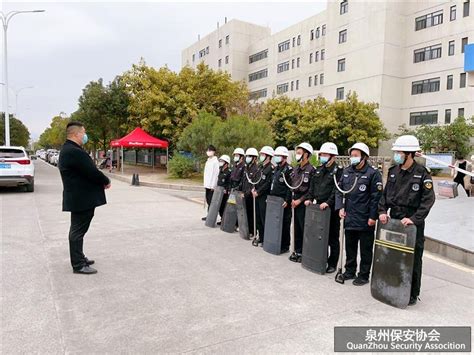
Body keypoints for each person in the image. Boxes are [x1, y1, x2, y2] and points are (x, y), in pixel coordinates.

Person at [378, 135, 436, 306]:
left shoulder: (422, 174)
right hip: (395, 219)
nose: (396, 155)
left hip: (412, 224)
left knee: (413, 258)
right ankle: (394, 285)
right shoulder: (394, 171)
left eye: (399, 152)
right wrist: (382, 211)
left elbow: (428, 201)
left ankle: (411, 293)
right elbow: (385, 196)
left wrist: (414, 219)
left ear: (409, 154)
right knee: (394, 256)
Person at [58, 121, 111, 275]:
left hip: (79, 197)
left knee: (79, 229)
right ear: (76, 134)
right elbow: (92, 171)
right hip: (80, 198)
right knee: (77, 231)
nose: (85, 135)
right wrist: (105, 181)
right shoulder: (74, 151)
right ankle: (78, 264)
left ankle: (80, 257)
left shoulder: (70, 149)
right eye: (83, 132)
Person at [335, 142, 382, 286]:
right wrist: (340, 207)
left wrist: (373, 217)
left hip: (365, 218)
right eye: (351, 156)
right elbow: (339, 190)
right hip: (349, 217)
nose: (352, 158)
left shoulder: (373, 174)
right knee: (350, 247)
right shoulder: (347, 171)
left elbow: (376, 197)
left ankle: (363, 275)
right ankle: (349, 271)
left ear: (364, 157)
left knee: (365, 249)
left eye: (356, 156)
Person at [305, 142, 343, 273]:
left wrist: (328, 202)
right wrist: (309, 198)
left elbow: (337, 190)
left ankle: (332, 263)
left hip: (330, 209)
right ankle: (320, 259)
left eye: (325, 154)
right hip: (318, 207)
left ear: (333, 156)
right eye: (321, 154)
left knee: (333, 237)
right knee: (319, 234)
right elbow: (312, 186)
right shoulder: (319, 169)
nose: (322, 157)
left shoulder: (338, 171)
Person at [289, 142, 316, 263]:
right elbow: (292, 184)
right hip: (294, 200)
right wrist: (292, 199)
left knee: (303, 227)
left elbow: (311, 190)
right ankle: (297, 251)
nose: (297, 155)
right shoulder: (296, 168)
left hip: (303, 202)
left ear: (306, 155)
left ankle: (305, 252)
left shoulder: (311, 170)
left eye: (300, 153)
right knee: (296, 229)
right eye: (297, 152)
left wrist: (300, 200)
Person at [269, 146, 293, 253]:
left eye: (278, 156)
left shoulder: (288, 170)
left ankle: (285, 245)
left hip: (283, 200)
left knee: (285, 223)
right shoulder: (277, 168)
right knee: (276, 222)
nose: (277, 158)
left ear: (284, 157)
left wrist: (287, 200)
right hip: (275, 200)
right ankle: (276, 242)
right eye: (276, 156)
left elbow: (290, 187)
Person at [251, 146, 274, 246]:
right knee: (258, 217)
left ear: (268, 156)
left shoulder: (271, 168)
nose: (261, 156)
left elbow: (268, 183)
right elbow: (256, 179)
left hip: (264, 196)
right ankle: (260, 237)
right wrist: (253, 188)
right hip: (257, 195)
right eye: (261, 154)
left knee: (264, 218)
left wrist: (259, 192)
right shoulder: (260, 167)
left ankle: (265, 239)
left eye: (263, 154)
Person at [240, 147, 259, 238]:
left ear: (254, 158)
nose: (247, 158)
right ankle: (247, 229)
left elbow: (254, 184)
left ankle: (252, 231)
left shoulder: (256, 169)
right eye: (246, 156)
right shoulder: (246, 168)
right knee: (246, 213)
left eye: (249, 156)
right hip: (244, 194)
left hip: (251, 196)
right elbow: (243, 181)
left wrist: (246, 193)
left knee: (251, 214)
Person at [202, 145, 219, 221]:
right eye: (208, 150)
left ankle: (211, 216)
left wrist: (213, 186)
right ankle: (209, 215)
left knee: (211, 201)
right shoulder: (208, 160)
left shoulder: (215, 161)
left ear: (213, 152)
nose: (208, 152)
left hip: (212, 185)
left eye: (210, 150)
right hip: (207, 184)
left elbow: (216, 174)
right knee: (208, 200)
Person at [217, 154, 232, 225]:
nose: (220, 162)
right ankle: (221, 218)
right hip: (219, 191)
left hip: (225, 192)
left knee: (223, 206)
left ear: (226, 163)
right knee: (219, 206)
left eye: (222, 161)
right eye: (220, 161)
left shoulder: (229, 171)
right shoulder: (220, 170)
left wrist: (227, 189)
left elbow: (229, 182)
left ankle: (224, 220)